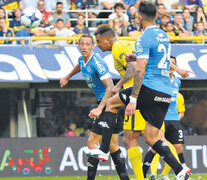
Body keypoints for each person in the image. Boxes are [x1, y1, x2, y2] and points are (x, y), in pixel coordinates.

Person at [85, 2, 192, 180]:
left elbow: (138, 70)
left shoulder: (142, 38)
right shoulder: (164, 35)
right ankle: (180, 169)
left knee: (111, 103)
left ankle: (103, 150)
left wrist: (133, 98)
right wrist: (179, 70)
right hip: (165, 92)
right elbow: (159, 59)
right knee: (152, 138)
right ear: (156, 16)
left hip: (148, 88)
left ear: (140, 17)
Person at [60, 34, 129, 180]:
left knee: (92, 142)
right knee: (113, 146)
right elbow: (80, 65)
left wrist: (100, 108)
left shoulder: (97, 63)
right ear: (78, 45)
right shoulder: (81, 59)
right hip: (110, 105)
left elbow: (110, 86)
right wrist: (67, 76)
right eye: (82, 44)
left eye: (87, 44)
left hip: (109, 104)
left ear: (92, 46)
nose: (84, 47)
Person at [142, 56, 188, 180]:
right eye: (169, 64)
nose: (170, 67)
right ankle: (144, 173)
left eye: (173, 64)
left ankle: (166, 174)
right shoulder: (159, 80)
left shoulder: (178, 82)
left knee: (177, 147)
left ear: (175, 66)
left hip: (174, 119)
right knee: (156, 146)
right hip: (161, 117)